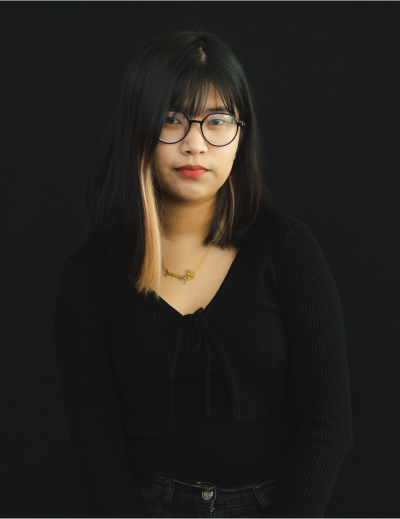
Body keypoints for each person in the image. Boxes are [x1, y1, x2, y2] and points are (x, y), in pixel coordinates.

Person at [54, 30, 354, 519]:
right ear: (138, 128)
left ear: (240, 133)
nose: (195, 145)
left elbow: (328, 426)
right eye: (171, 119)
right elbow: (96, 451)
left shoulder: (287, 250)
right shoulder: (90, 276)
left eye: (217, 121)